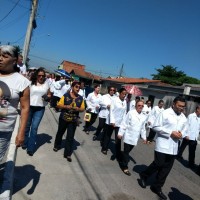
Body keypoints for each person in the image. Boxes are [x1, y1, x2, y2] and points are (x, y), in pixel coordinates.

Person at [138, 96, 187, 200]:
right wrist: (170, 132)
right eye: (179, 106)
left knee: (166, 169)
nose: (181, 108)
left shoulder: (183, 117)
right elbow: (155, 126)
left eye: (183, 106)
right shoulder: (165, 113)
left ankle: (157, 187)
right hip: (163, 145)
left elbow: (186, 130)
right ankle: (144, 175)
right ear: (173, 104)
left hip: (173, 147)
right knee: (158, 164)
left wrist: (181, 134)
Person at [0, 45, 30, 161]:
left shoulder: (22, 82)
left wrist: (21, 133)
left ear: (14, 60)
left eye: (4, 56)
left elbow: (25, 108)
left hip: (3, 130)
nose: (0, 58)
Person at [53, 81, 85, 162]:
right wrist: (65, 106)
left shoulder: (80, 98)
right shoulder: (66, 95)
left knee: (70, 136)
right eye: (76, 87)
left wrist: (78, 109)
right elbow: (58, 105)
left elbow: (83, 108)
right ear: (72, 87)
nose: (78, 89)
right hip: (64, 118)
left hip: (73, 120)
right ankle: (57, 145)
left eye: (79, 87)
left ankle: (67, 153)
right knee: (60, 132)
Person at [23, 68, 51, 156]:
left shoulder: (47, 84)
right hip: (30, 107)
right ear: (36, 75)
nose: (41, 77)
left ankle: (30, 148)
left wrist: (48, 97)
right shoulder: (30, 83)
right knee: (27, 126)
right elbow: (25, 94)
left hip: (40, 108)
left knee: (34, 128)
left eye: (43, 75)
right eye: (39, 75)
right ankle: (25, 142)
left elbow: (50, 94)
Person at [118, 100, 147, 176]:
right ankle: (124, 167)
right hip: (128, 136)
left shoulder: (144, 116)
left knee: (127, 151)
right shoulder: (131, 113)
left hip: (135, 138)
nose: (140, 107)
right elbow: (124, 123)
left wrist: (144, 137)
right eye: (139, 105)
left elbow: (143, 128)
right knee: (127, 152)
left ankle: (122, 157)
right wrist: (120, 133)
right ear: (135, 106)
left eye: (142, 106)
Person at [101, 88, 127, 161]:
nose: (124, 95)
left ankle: (117, 153)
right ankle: (104, 148)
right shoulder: (114, 100)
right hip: (111, 121)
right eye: (123, 94)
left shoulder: (125, 102)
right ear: (119, 93)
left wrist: (124, 122)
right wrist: (112, 121)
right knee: (108, 135)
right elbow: (111, 111)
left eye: (125, 94)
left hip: (120, 123)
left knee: (118, 138)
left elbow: (125, 112)